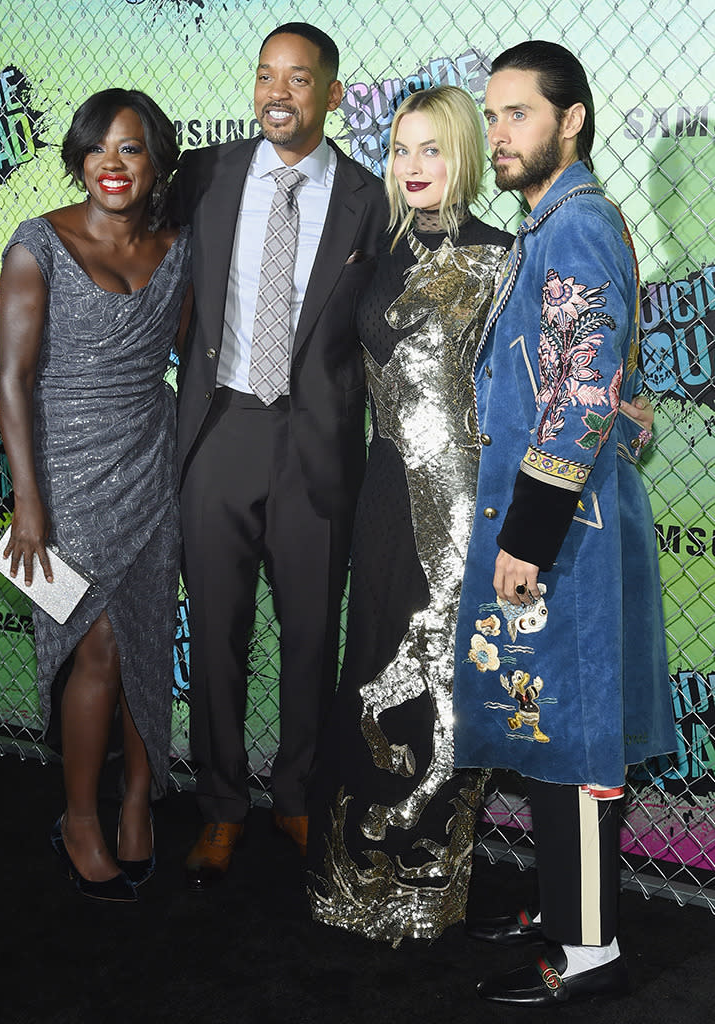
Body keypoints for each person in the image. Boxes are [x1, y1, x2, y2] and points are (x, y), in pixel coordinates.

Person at [451, 42, 677, 1003]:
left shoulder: (575, 226)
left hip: (566, 534)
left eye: (519, 115)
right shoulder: (550, 224)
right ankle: (558, 903)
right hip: (556, 520)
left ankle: (589, 948)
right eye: (491, 116)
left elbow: (582, 396)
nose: (499, 134)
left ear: (571, 120)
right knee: (543, 720)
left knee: (577, 732)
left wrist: (527, 538)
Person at [169, 23, 387, 889]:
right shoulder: (206, 173)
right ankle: (221, 808)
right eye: (265, 75)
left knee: (309, 636)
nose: (277, 93)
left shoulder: (371, 197)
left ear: (331, 96)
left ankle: (297, 797)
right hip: (220, 429)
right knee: (215, 635)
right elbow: (131, 236)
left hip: (316, 442)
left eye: (298, 80)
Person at [306, 85, 512, 943]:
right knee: (373, 669)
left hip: (465, 504)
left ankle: (427, 887)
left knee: (443, 685)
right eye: (400, 148)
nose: (413, 166)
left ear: (463, 152)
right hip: (384, 494)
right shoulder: (374, 251)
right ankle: (356, 878)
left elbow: (534, 388)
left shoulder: (504, 256)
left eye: (431, 148)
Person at [0, 89, 192, 902]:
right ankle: (81, 816)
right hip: (66, 474)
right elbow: (12, 379)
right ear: (78, 156)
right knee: (99, 646)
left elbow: (190, 351)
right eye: (98, 148)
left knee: (147, 637)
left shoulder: (180, 248)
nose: (112, 165)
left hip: (154, 460)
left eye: (132, 149)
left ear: (156, 164)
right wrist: (27, 502)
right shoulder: (38, 243)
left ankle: (138, 802)